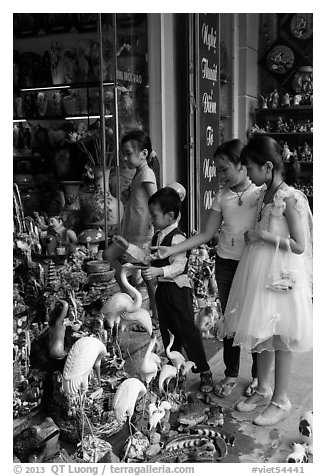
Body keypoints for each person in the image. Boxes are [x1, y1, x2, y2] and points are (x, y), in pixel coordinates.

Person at [152, 139, 261, 397]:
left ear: (242, 165)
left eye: (224, 169)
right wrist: (172, 250)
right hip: (225, 264)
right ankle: (232, 373)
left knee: (256, 320)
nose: (220, 176)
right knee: (230, 320)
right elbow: (205, 234)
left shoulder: (259, 193)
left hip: (252, 264)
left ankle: (259, 377)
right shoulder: (222, 197)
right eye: (217, 170)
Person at [223, 135, 313, 426]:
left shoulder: (289, 198)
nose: (247, 173)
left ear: (268, 166)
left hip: (282, 275)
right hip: (261, 270)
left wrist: (263, 236)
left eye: (249, 167)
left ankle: (281, 399)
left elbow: (300, 245)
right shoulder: (263, 194)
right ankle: (263, 387)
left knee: (281, 335)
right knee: (262, 330)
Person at [143, 187, 214, 393]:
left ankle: (204, 370)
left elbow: (178, 266)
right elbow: (150, 257)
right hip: (163, 292)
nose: (152, 219)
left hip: (178, 291)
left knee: (187, 331)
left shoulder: (177, 239)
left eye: (154, 215)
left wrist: (158, 270)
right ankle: (176, 371)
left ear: (170, 216)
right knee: (168, 333)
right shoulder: (157, 237)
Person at [103, 129, 158, 321]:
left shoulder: (146, 174)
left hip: (141, 235)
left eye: (128, 154)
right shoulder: (139, 174)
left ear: (143, 154)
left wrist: (155, 225)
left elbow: (156, 200)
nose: (125, 158)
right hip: (130, 234)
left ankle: (155, 314)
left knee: (148, 276)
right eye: (123, 154)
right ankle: (129, 298)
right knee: (109, 255)